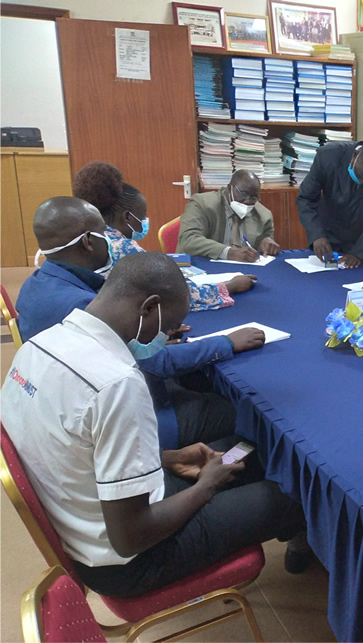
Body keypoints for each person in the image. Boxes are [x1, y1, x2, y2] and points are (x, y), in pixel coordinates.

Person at [2, 252, 304, 597]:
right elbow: (131, 537)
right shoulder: (115, 384)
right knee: (293, 491)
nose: (167, 337)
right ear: (149, 308)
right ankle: (301, 535)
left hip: (101, 510)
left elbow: (73, 447)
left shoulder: (40, 345)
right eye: (168, 326)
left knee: (245, 449)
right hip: (133, 558)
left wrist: (167, 458)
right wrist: (206, 486)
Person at [16, 197, 263, 449]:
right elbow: (157, 364)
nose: (110, 241)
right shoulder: (82, 307)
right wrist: (226, 343)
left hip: (66, 406)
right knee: (243, 411)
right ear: (88, 242)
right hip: (133, 422)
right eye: (104, 234)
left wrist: (147, 331)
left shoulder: (34, 284)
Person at [73, 161, 257, 310]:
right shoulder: (123, 248)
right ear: (127, 217)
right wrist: (230, 286)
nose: (145, 222)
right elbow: (176, 296)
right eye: (142, 216)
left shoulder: (86, 236)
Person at [297, 140, 363, 269]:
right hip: (327, 238)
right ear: (355, 155)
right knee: (323, 277)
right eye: (359, 176)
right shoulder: (329, 156)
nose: (361, 182)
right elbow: (306, 199)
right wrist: (316, 234)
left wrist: (358, 253)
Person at [177, 170, 280, 261]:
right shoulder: (202, 204)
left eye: (253, 197)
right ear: (229, 188)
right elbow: (188, 240)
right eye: (244, 194)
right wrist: (231, 253)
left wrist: (267, 245)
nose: (248, 201)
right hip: (204, 266)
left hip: (244, 271)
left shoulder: (263, 216)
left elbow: (263, 255)